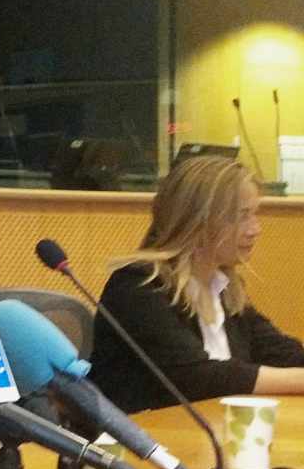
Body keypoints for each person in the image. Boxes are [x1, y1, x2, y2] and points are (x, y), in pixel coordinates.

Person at [90, 156, 304, 413]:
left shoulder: (224, 289)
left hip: (206, 437)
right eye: (242, 216)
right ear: (197, 220)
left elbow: (283, 354)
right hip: (145, 441)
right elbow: (197, 378)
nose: (255, 229)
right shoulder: (138, 286)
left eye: (255, 215)